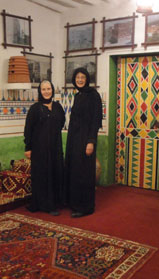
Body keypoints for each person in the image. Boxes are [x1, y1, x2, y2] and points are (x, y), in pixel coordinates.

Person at [65, 68, 103, 218]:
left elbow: (95, 121)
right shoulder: (79, 95)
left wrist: (91, 141)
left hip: (86, 140)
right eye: (77, 77)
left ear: (87, 79)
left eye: (83, 77)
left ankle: (86, 207)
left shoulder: (93, 95)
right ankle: (75, 203)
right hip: (75, 139)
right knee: (75, 171)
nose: (80, 80)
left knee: (85, 174)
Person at [24, 80, 65, 216]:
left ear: (52, 90)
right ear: (40, 91)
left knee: (55, 172)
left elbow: (61, 122)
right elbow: (28, 129)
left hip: (55, 147)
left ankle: (55, 202)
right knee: (43, 175)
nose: (46, 91)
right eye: (44, 89)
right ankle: (45, 205)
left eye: (49, 89)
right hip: (39, 149)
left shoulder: (58, 107)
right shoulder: (35, 109)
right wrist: (28, 148)